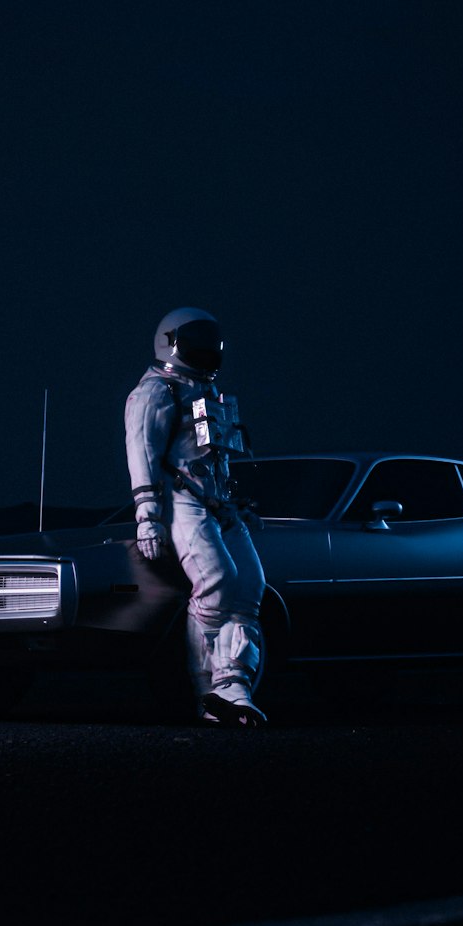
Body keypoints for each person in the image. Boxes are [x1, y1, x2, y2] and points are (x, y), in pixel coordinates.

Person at [124, 307, 267, 727]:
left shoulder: (203, 392)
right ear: (171, 342)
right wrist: (147, 515)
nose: (206, 350)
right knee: (216, 580)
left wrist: (237, 503)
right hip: (181, 499)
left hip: (218, 503)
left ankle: (234, 685)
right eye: (196, 341)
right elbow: (142, 453)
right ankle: (206, 689)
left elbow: (217, 458)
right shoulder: (155, 392)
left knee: (249, 587)